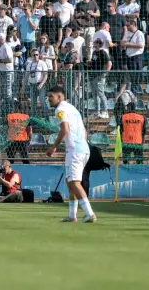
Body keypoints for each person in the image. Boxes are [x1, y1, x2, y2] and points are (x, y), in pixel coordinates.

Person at [45, 86, 97, 223]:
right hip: (82, 148)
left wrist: (53, 147)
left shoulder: (60, 109)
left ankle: (89, 213)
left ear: (60, 97)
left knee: (74, 182)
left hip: (75, 150)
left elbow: (65, 130)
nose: (48, 99)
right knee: (70, 181)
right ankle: (72, 215)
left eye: (51, 96)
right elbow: (84, 131)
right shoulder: (72, 109)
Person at [117, 92, 146, 164]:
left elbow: (121, 130)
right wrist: (143, 142)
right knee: (139, 161)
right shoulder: (141, 117)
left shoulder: (123, 117)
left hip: (127, 142)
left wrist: (121, 142)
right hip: (138, 142)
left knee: (126, 161)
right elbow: (144, 131)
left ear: (129, 108)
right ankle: (140, 173)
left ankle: (127, 174)